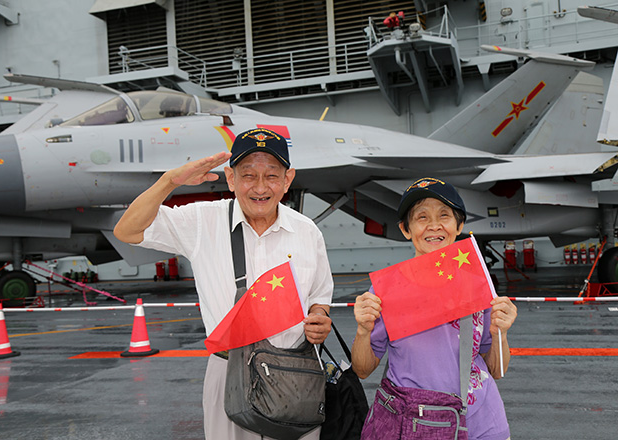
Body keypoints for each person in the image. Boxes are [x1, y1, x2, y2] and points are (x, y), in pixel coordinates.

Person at [113, 128, 333, 440]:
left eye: (271, 176)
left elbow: (320, 296)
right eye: (248, 175)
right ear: (230, 178)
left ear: (287, 179)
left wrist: (320, 318)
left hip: (294, 372)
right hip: (229, 373)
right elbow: (127, 231)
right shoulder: (202, 222)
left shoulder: (307, 231)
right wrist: (169, 182)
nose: (260, 187)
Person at [351, 177, 517, 440]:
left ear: (459, 225)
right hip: (412, 425)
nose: (434, 225)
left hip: (481, 425)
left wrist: (501, 333)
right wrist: (363, 330)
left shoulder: (477, 283)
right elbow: (362, 369)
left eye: (444, 215)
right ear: (406, 229)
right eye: (422, 217)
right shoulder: (387, 290)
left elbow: (497, 370)